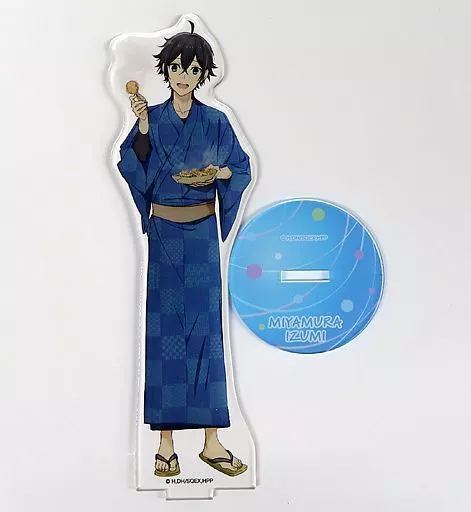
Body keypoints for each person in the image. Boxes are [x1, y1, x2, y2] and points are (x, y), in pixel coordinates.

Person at [117, 21, 252, 478]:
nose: (183, 76)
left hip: (201, 236)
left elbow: (240, 168)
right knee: (164, 336)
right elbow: (130, 164)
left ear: (203, 74)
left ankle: (212, 442)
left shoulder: (216, 121)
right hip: (164, 236)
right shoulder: (152, 117)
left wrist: (219, 173)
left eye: (193, 70)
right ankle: (166, 444)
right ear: (166, 70)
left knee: (206, 333)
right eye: (176, 67)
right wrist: (141, 128)